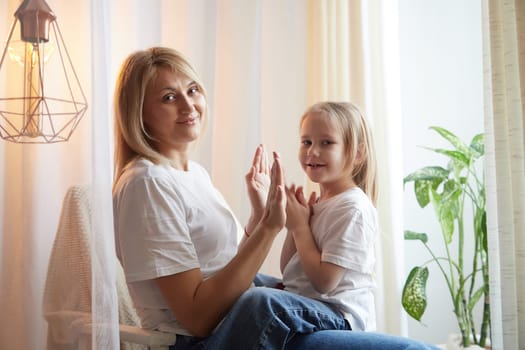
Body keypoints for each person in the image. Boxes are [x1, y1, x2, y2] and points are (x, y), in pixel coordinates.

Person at [112, 46, 438, 350]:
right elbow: (197, 319)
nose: (188, 105)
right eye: (169, 97)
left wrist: (259, 216)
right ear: (138, 114)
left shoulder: (192, 174)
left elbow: (227, 266)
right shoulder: (148, 183)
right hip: (208, 338)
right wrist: (271, 228)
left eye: (193, 89)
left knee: (269, 291)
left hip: (244, 318)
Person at [281, 101, 378, 332]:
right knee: (250, 287)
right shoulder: (322, 203)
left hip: (339, 316)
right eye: (306, 142)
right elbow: (289, 270)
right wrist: (294, 226)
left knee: (259, 300)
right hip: (310, 307)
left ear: (357, 154)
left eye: (326, 143)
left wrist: (301, 229)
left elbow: (324, 283)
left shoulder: (352, 208)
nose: (313, 151)